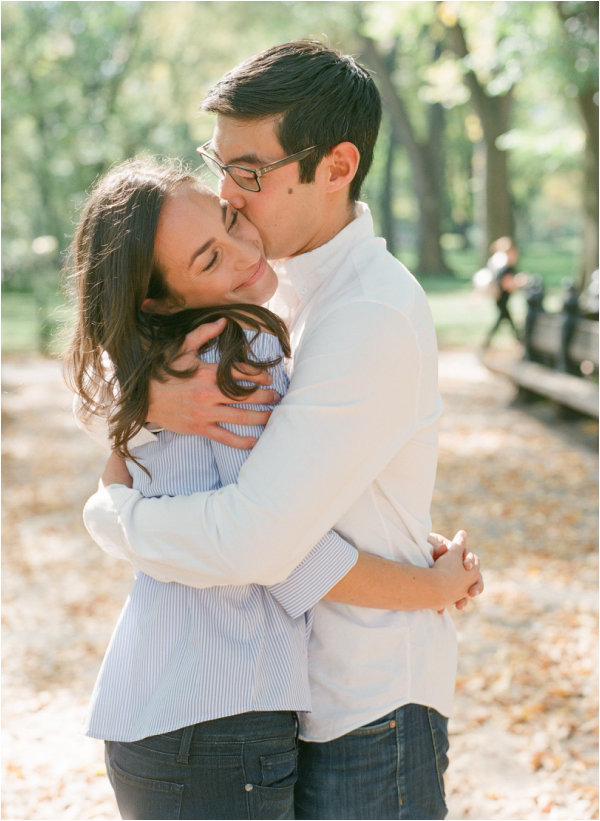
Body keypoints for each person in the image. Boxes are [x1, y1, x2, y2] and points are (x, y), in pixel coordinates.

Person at [82, 41, 484, 819]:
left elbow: (256, 541)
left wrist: (114, 516)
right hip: (291, 701)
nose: (228, 191)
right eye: (221, 162)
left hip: (367, 706)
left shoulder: (362, 313)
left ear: (336, 167)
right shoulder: (278, 289)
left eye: (251, 171)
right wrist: (137, 411)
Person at [482, 236, 529, 348]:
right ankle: (520, 339)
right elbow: (505, 283)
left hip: (503, 298)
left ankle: (517, 338)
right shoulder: (505, 267)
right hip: (501, 297)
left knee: (504, 318)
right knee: (505, 317)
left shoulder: (507, 266)